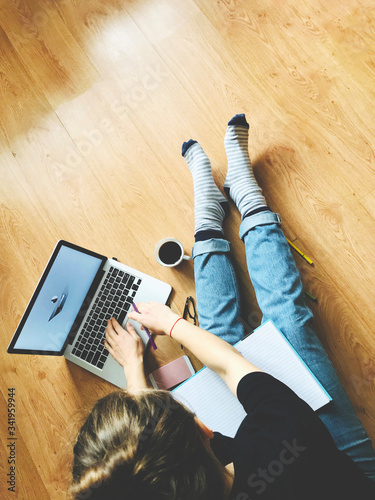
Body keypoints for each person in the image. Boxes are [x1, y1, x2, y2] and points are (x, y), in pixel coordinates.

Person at [69, 114, 375, 499]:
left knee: (218, 336)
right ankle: (244, 195)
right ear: (205, 430)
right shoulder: (289, 442)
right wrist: (174, 323)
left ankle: (209, 211)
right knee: (287, 318)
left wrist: (134, 368)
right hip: (336, 471)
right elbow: (229, 363)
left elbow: (142, 456)